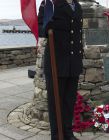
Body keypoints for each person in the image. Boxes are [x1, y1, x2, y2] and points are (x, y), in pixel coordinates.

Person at [38, 0, 84, 139]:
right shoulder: (50, 4)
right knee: (55, 102)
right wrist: (47, 27)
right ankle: (57, 135)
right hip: (56, 61)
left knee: (69, 101)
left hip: (73, 62)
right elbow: (40, 27)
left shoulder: (78, 6)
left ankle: (68, 132)